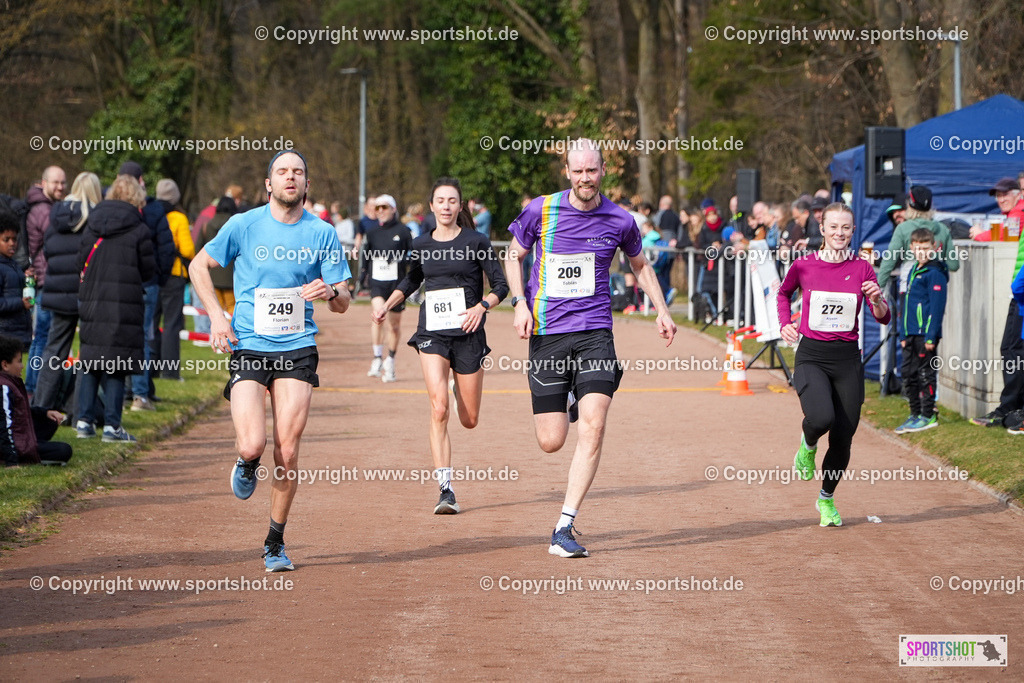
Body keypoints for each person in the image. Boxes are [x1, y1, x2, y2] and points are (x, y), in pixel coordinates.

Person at [504, 138, 676, 558]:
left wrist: (662, 310)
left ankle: (564, 525)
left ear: (603, 172)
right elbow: (514, 255)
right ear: (567, 172)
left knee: (595, 425)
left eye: (592, 170)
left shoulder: (620, 219)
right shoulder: (540, 210)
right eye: (578, 171)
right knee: (551, 441)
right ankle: (569, 395)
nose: (585, 178)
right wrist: (519, 303)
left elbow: (640, 265)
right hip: (547, 333)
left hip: (596, 332)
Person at [189, 150, 351, 572]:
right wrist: (217, 317)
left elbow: (344, 299)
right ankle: (245, 463)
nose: (290, 178)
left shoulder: (322, 232)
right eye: (282, 172)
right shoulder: (243, 224)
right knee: (252, 443)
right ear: (269, 183)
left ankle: (274, 542)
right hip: (249, 343)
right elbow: (198, 266)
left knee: (288, 451)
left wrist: (331, 293)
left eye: (298, 171)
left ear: (307, 184)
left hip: (297, 346)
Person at [372, 178, 508, 514]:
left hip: (468, 333)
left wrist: (482, 307)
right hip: (432, 331)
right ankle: (445, 489)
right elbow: (411, 279)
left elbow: (501, 285)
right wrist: (387, 304)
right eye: (440, 201)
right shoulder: (420, 243)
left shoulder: (476, 241)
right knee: (438, 408)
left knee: (469, 418)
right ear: (431, 207)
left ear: (460, 206)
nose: (446, 206)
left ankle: (459, 384)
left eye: (452, 201)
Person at [779, 202, 890, 528]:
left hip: (847, 359)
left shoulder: (863, 268)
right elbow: (783, 294)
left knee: (843, 436)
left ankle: (826, 499)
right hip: (812, 355)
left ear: (853, 231)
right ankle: (808, 443)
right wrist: (786, 322)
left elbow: (883, 318)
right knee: (820, 417)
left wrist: (877, 299)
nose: (839, 233)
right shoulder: (804, 265)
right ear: (822, 229)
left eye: (846, 228)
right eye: (833, 227)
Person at [75, 174, 156, 443]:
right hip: (124, 302)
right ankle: (112, 426)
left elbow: (80, 260)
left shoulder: (92, 223)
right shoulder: (139, 229)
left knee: (90, 361)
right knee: (117, 364)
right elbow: (148, 270)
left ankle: (84, 422)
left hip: (93, 298)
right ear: (136, 197)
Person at [33, 172, 103, 413]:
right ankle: (80, 410)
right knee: (87, 352)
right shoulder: (97, 219)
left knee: (54, 350)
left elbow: (48, 250)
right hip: (87, 293)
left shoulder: (57, 215)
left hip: (58, 292)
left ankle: (41, 406)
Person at [971, 178, 1024, 428]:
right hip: (1019, 291)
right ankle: (1012, 407)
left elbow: (1006, 233)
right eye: (997, 195)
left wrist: (979, 235)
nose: (1000, 199)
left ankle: (1011, 407)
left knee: (1012, 349)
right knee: (1012, 349)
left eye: (1006, 194)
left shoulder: (1020, 211)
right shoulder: (1014, 212)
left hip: (1020, 294)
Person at [894, 228, 947, 434]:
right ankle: (914, 414)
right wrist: (904, 334)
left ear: (933, 248)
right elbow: (906, 306)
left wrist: (931, 336)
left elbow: (936, 307)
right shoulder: (914, 270)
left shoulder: (935, 273)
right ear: (911, 248)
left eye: (926, 248)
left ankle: (928, 414)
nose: (922, 252)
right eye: (918, 248)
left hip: (926, 335)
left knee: (926, 374)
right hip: (911, 334)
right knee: (908, 374)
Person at [23, 165, 66, 396]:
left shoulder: (46, 207)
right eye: (56, 183)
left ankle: (36, 387)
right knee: (43, 336)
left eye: (63, 183)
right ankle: (33, 388)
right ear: (44, 183)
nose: (60, 187)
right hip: (45, 282)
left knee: (44, 336)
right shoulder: (44, 210)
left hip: (45, 280)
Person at [0, 334, 72, 467]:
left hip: (18, 435)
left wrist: (45, 412)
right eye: (19, 361)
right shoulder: (4, 386)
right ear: (5, 364)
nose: (22, 366)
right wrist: (11, 461)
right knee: (64, 450)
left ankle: (32, 444)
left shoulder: (9, 382)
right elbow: (4, 425)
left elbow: (20, 411)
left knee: (50, 421)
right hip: (12, 443)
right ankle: (20, 454)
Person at [365, 194, 412, 382]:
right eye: (377, 208)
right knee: (377, 316)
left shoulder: (404, 230)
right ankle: (377, 358)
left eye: (384, 207)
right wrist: (362, 276)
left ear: (393, 209)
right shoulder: (372, 232)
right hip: (377, 282)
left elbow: (414, 255)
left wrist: (402, 258)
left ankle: (390, 360)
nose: (381, 211)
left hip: (397, 285)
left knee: (394, 325)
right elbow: (367, 257)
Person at [154, 179, 195, 383]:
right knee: (171, 324)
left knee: (151, 323)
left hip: (152, 274)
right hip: (173, 275)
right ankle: (170, 372)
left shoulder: (150, 212)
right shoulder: (178, 218)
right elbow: (187, 250)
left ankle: (150, 370)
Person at [194, 197, 238, 315]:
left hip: (212, 276)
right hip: (231, 278)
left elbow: (198, 249)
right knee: (232, 309)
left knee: (216, 311)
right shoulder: (235, 225)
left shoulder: (207, 225)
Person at [0, 210, 32, 348]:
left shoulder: (14, 264)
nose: (12, 243)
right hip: (4, 334)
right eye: (6, 240)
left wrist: (29, 280)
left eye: (14, 239)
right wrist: (20, 303)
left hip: (17, 332)